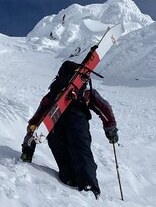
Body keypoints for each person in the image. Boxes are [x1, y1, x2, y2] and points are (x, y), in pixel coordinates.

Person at [24, 60, 118, 198]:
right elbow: (104, 108)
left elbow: (35, 121)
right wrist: (110, 130)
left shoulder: (52, 94)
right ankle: (88, 187)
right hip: (77, 121)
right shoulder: (83, 90)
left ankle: (69, 181)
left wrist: (27, 149)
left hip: (54, 124)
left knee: (63, 159)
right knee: (81, 152)